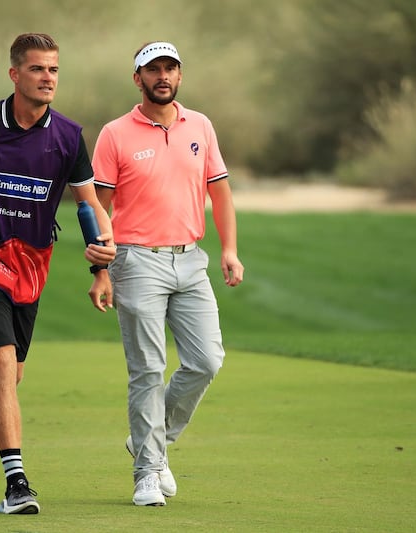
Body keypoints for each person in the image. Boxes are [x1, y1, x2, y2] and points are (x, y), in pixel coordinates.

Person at [0, 33, 115, 515]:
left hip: (31, 266)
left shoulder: (69, 137)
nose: (48, 78)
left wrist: (103, 260)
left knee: (11, 375)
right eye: (38, 69)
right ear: (15, 74)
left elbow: (90, 205)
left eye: (54, 70)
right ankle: (16, 482)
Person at [89, 41, 244, 506]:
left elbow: (220, 194)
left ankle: (150, 440)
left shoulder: (201, 125)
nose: (162, 76)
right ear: (137, 78)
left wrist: (229, 251)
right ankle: (147, 472)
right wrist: (101, 267)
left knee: (206, 361)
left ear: (179, 75)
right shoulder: (115, 133)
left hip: (190, 258)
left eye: (170, 68)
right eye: (153, 69)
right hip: (135, 261)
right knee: (148, 370)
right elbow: (96, 205)